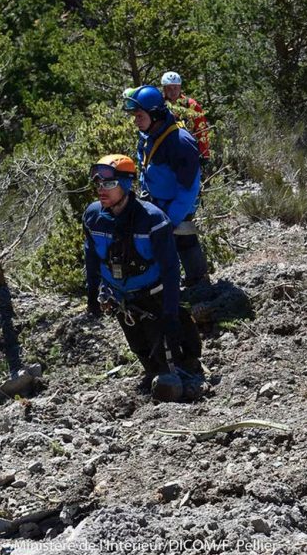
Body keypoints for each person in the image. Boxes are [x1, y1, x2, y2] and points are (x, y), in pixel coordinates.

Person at [83, 154, 205, 402]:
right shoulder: (93, 216)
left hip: (154, 300)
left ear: (126, 184)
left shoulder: (153, 220)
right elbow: (91, 257)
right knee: (141, 351)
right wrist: (92, 294)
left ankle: (184, 380)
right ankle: (153, 375)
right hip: (122, 300)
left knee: (171, 359)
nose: (101, 190)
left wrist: (170, 314)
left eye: (109, 184)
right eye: (98, 184)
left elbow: (171, 270)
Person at [123, 85, 210, 288]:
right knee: (161, 246)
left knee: (183, 239)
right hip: (157, 202)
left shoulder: (180, 142)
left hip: (177, 207)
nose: (135, 121)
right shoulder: (149, 134)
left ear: (154, 114)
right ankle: (164, 284)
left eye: (139, 116)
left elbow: (189, 189)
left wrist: (170, 220)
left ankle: (199, 283)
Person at [161, 71, 211, 163]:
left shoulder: (191, 105)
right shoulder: (159, 105)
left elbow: (202, 129)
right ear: (164, 89)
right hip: (164, 152)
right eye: (169, 88)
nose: (173, 91)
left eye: (175, 87)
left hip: (188, 150)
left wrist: (205, 154)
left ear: (180, 87)